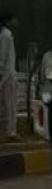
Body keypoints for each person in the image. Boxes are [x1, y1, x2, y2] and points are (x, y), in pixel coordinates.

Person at [0, 11, 19, 143]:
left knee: (6, 105)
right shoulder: (6, 35)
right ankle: (10, 132)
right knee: (10, 105)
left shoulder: (5, 35)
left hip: (6, 74)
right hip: (7, 75)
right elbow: (2, 57)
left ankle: (8, 131)